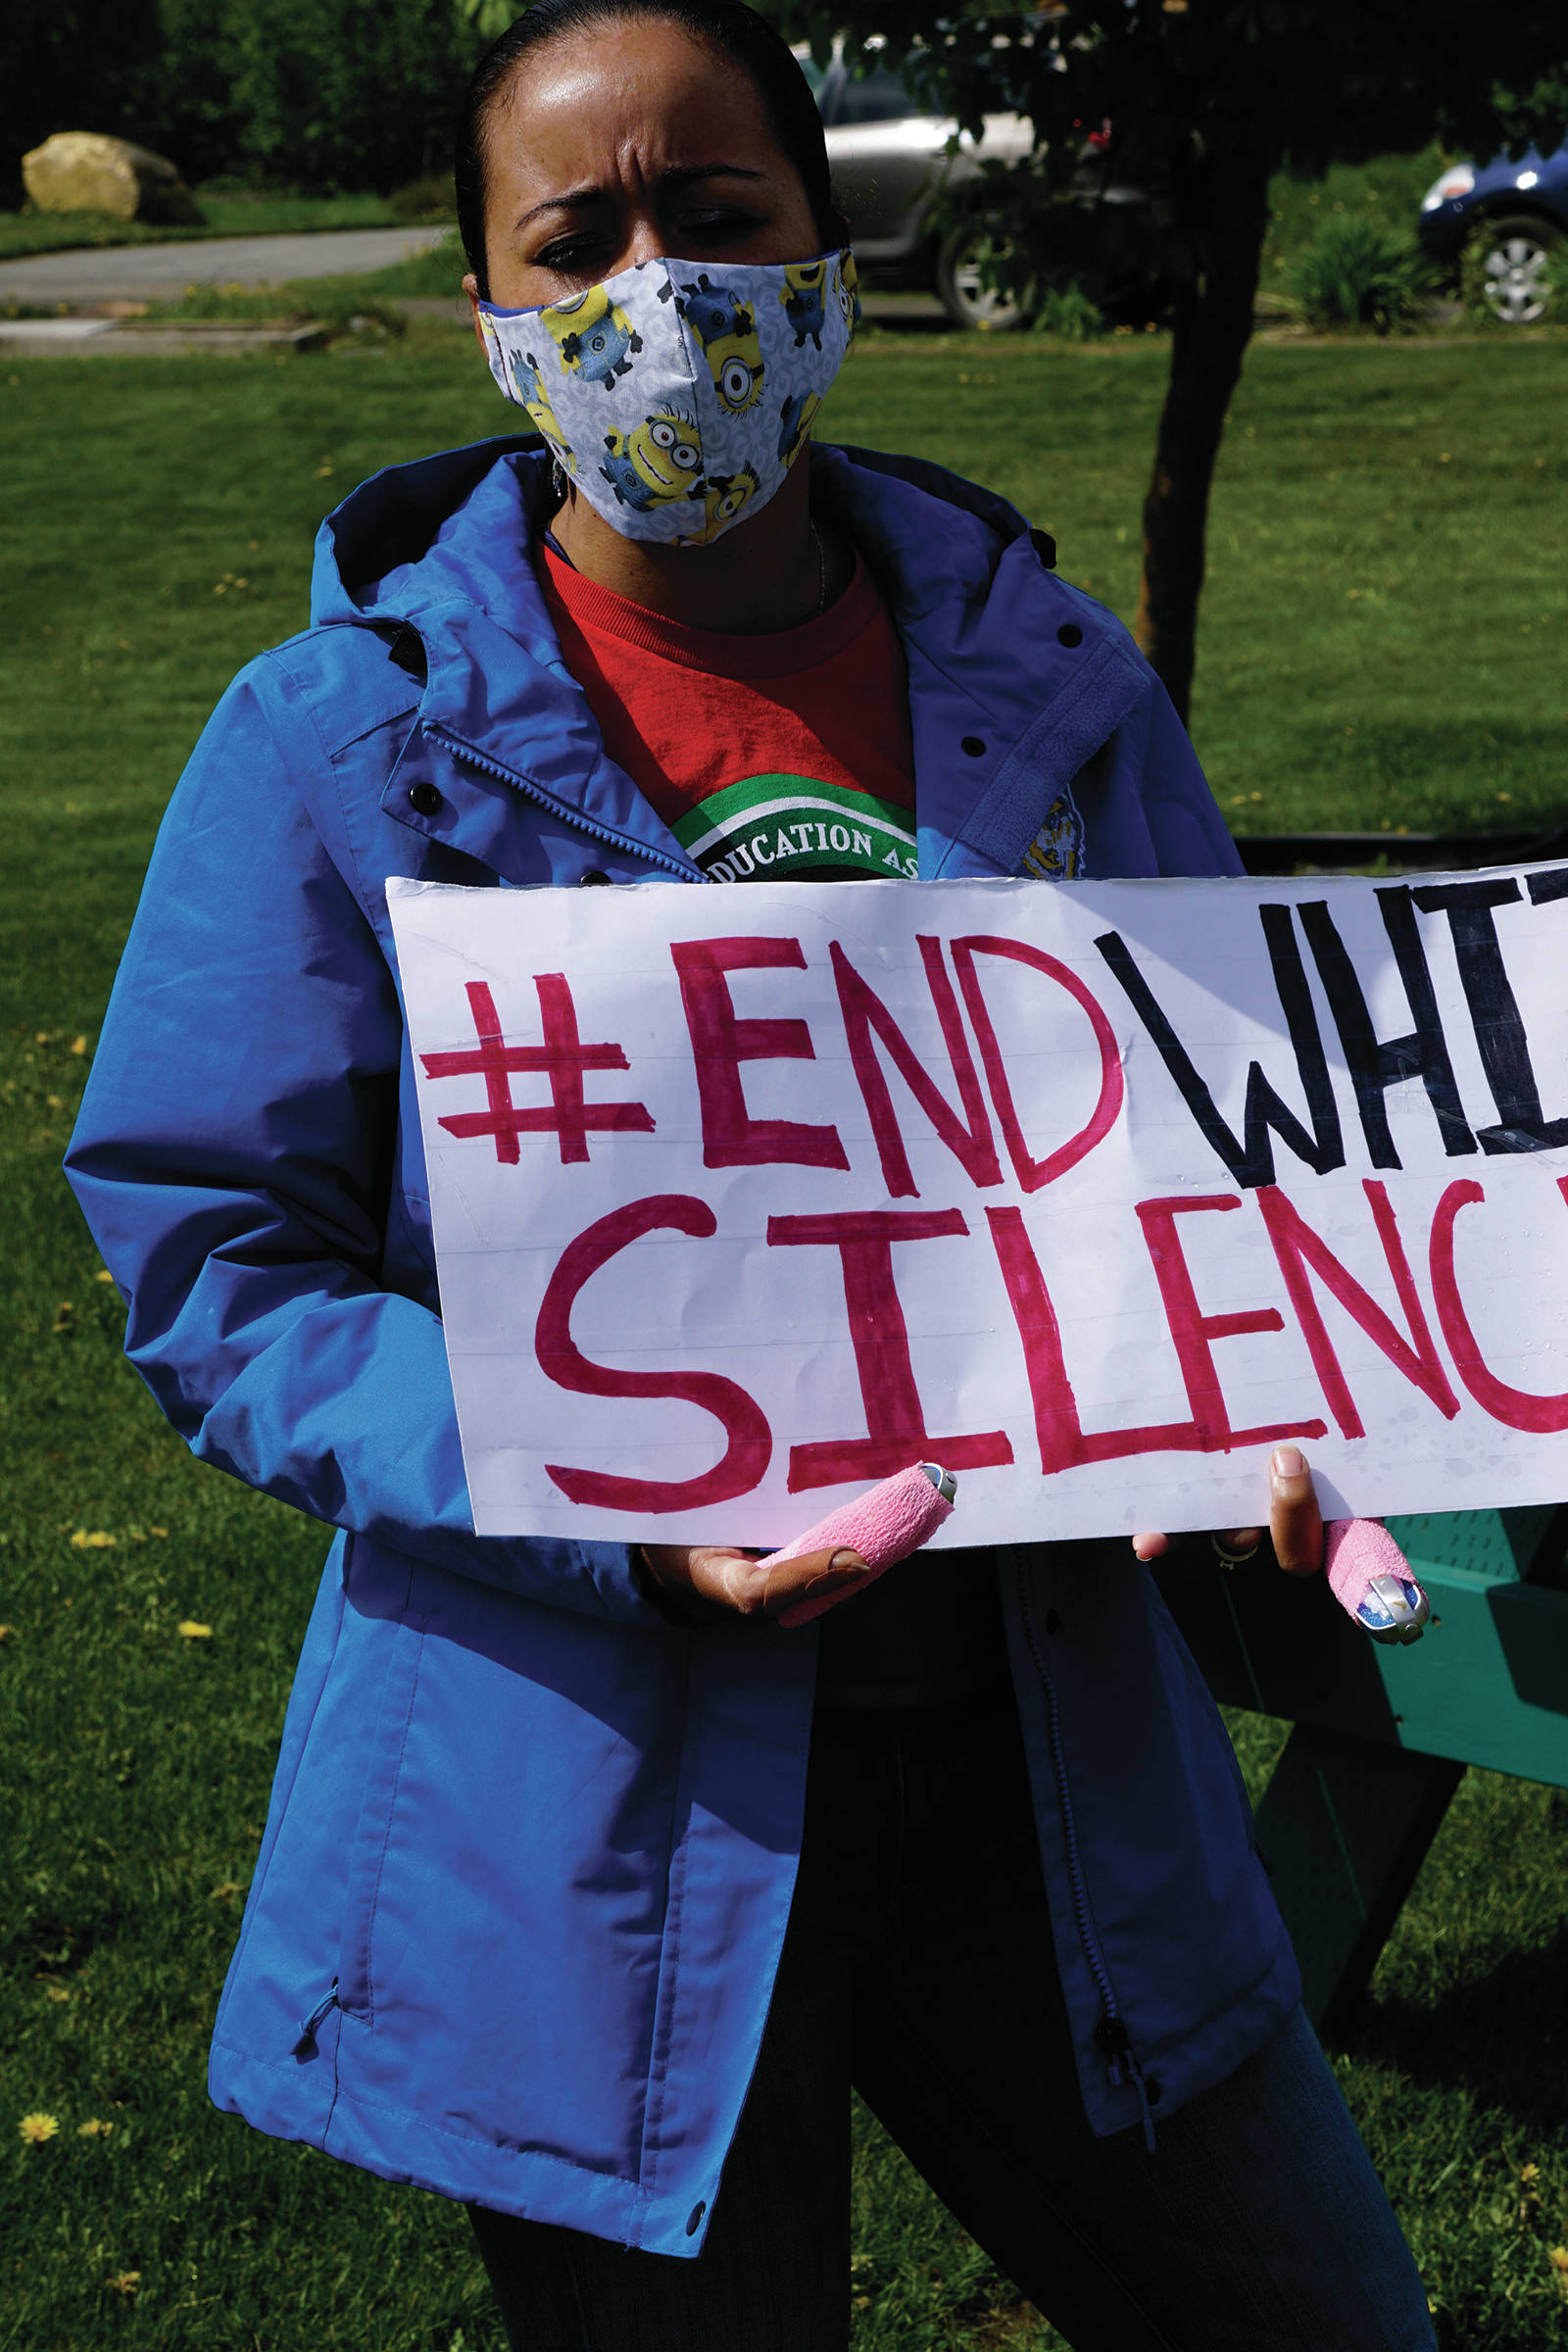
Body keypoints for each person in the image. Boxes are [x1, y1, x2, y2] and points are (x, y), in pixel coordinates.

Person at [65, 3, 1439, 2344]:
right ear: (491, 315)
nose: (658, 300)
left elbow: (1229, 1180)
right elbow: (218, 1264)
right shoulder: (336, 737)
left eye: (718, 221)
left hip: (1055, 1794)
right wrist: (609, 1486)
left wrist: (1262, 1411)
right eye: (573, 241)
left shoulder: (1055, 682)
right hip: (589, 1820)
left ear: (821, 254)